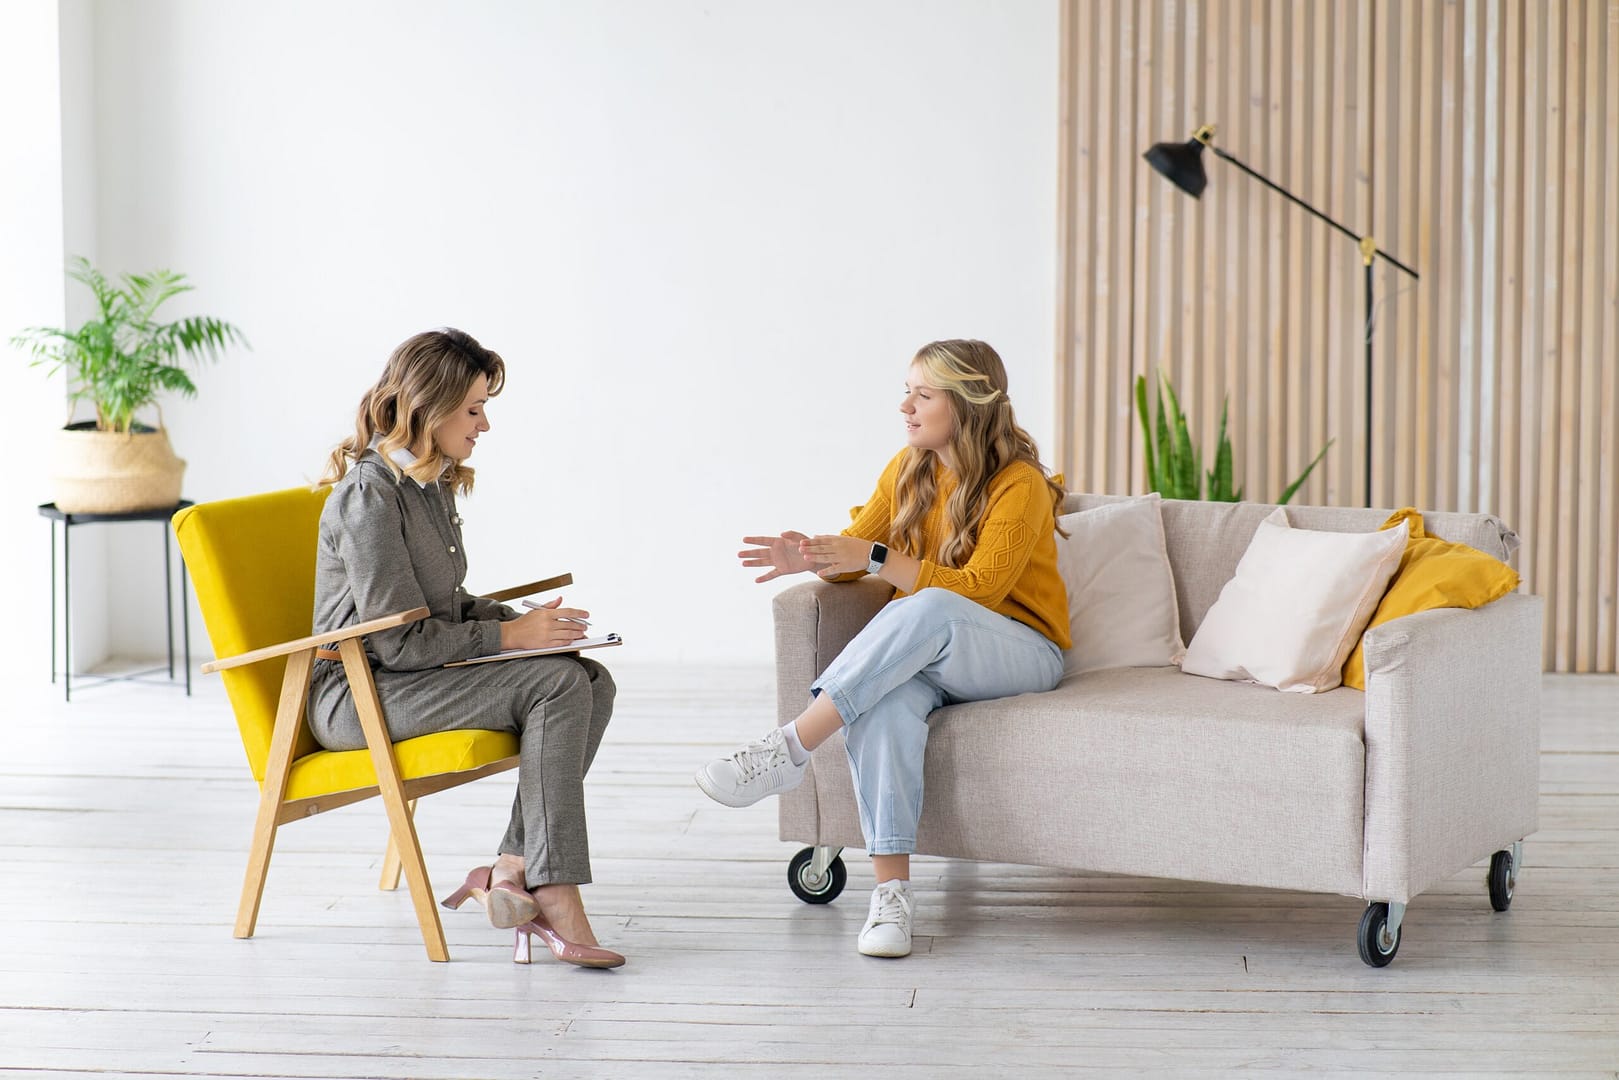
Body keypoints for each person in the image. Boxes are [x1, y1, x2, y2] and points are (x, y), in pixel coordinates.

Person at [695, 339, 1070, 958]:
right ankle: (891, 898)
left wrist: (876, 558)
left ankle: (789, 746)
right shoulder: (908, 470)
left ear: (969, 402)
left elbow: (977, 590)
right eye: (907, 391)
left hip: (1022, 652)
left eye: (923, 394)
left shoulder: (1020, 484)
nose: (905, 405)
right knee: (885, 706)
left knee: (930, 605)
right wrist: (813, 557)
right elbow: (858, 550)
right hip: (935, 652)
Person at [308, 327, 623, 969]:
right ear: (431, 406)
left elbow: (442, 605)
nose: (485, 425)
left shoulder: (428, 483)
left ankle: (511, 867)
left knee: (591, 679)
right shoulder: (370, 495)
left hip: (403, 677)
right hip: (357, 692)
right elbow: (395, 640)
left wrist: (522, 621)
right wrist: (510, 639)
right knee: (557, 684)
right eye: (475, 408)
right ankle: (553, 887)